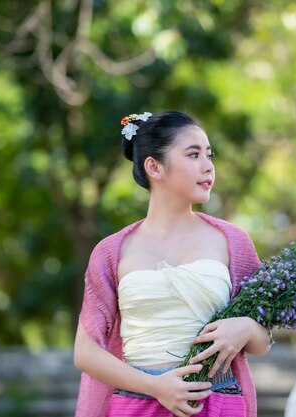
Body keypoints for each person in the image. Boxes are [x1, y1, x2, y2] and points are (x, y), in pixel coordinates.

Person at [73, 110, 272, 417]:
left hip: (216, 403)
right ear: (154, 166)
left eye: (209, 155)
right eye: (193, 155)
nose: (208, 167)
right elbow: (85, 353)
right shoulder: (113, 251)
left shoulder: (232, 241)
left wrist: (246, 327)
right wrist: (156, 387)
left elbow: (261, 343)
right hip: (136, 405)